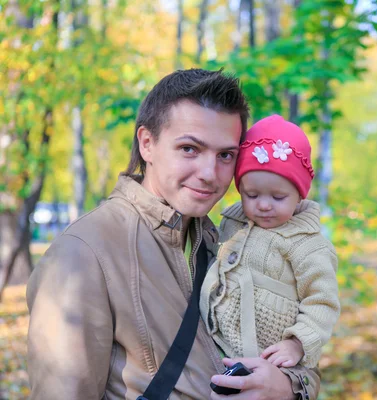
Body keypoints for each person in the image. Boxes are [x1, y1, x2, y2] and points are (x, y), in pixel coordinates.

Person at [26, 69, 320, 399]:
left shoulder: (229, 239)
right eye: (190, 149)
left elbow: (296, 352)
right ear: (147, 144)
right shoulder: (82, 253)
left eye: (225, 155)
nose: (210, 174)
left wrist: (288, 385)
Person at [200, 115, 340, 370]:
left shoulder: (307, 244)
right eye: (251, 195)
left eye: (278, 197)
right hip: (215, 348)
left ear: (299, 195)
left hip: (271, 361)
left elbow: (322, 301)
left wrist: (297, 344)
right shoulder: (231, 223)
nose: (263, 205)